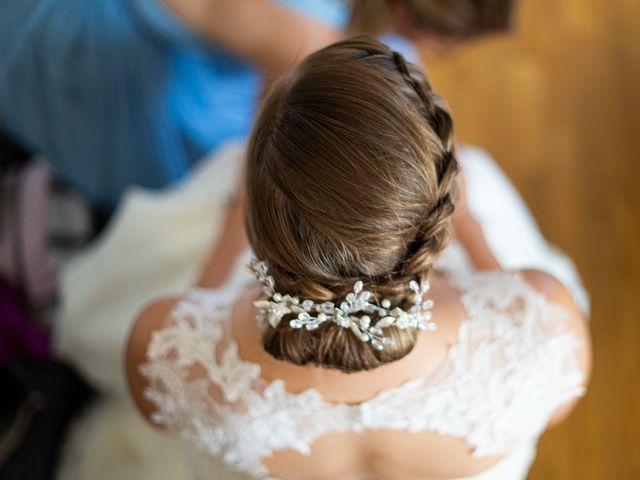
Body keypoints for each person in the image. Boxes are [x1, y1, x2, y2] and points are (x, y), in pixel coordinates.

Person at [126, 37, 591, 480]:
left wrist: (232, 222)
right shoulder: (547, 325)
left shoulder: (165, 348)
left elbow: (163, 410)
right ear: (432, 215)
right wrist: (472, 230)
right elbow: (555, 408)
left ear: (260, 232)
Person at [0, 0, 516, 213]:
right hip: (97, 47)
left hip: (215, 35)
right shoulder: (305, 31)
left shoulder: (322, 35)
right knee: (211, 188)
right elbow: (271, 156)